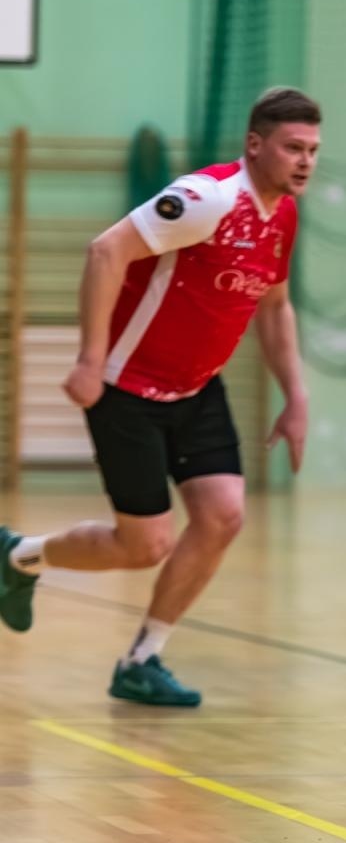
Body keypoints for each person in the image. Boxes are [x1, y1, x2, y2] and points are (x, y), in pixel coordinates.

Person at [0, 87, 320, 704]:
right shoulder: (206, 199)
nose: (304, 161)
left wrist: (297, 395)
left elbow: (275, 307)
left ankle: (143, 660)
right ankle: (19, 557)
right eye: (292, 148)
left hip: (197, 390)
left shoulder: (283, 214)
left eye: (312, 150)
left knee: (224, 515)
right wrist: (91, 359)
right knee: (143, 546)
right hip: (127, 389)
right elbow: (106, 250)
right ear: (256, 145)